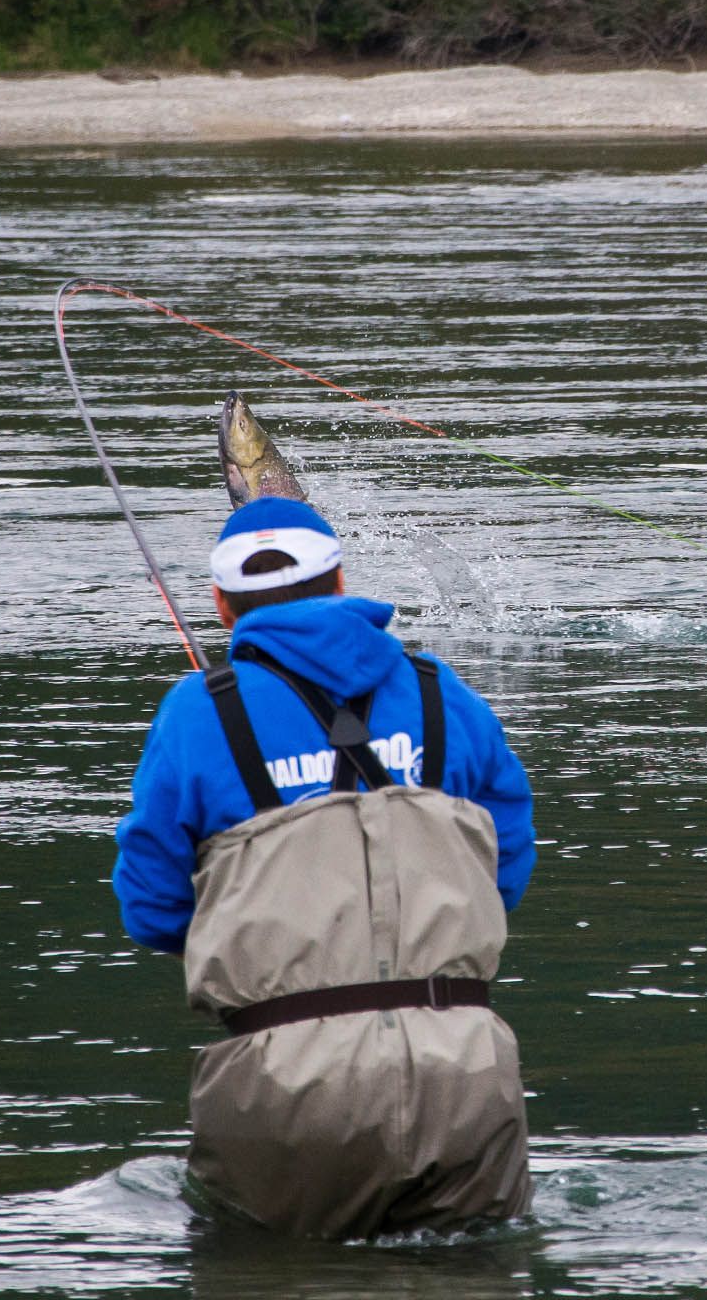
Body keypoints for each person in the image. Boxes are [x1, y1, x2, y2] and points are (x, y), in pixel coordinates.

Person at [113, 496, 537, 1239]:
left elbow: (151, 909)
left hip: (285, 1087)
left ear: (220, 605)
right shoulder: (447, 696)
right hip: (465, 1073)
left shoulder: (195, 712)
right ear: (342, 583)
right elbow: (503, 873)